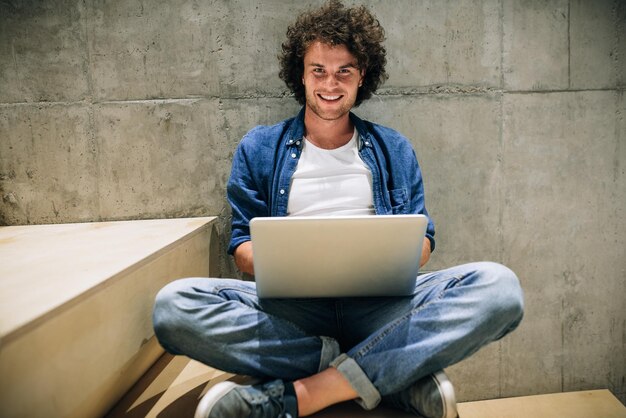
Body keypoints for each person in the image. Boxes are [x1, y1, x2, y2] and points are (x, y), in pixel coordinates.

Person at [153, 1, 524, 417]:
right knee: (174, 307)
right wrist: (301, 263)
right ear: (302, 73)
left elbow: (422, 244)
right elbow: (242, 249)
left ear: (362, 75)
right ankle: (390, 374)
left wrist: (385, 258)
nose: (331, 82)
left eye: (344, 70)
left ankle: (300, 396)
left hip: (382, 310)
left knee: (500, 290)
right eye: (319, 70)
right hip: (294, 314)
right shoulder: (258, 148)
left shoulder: (394, 148)